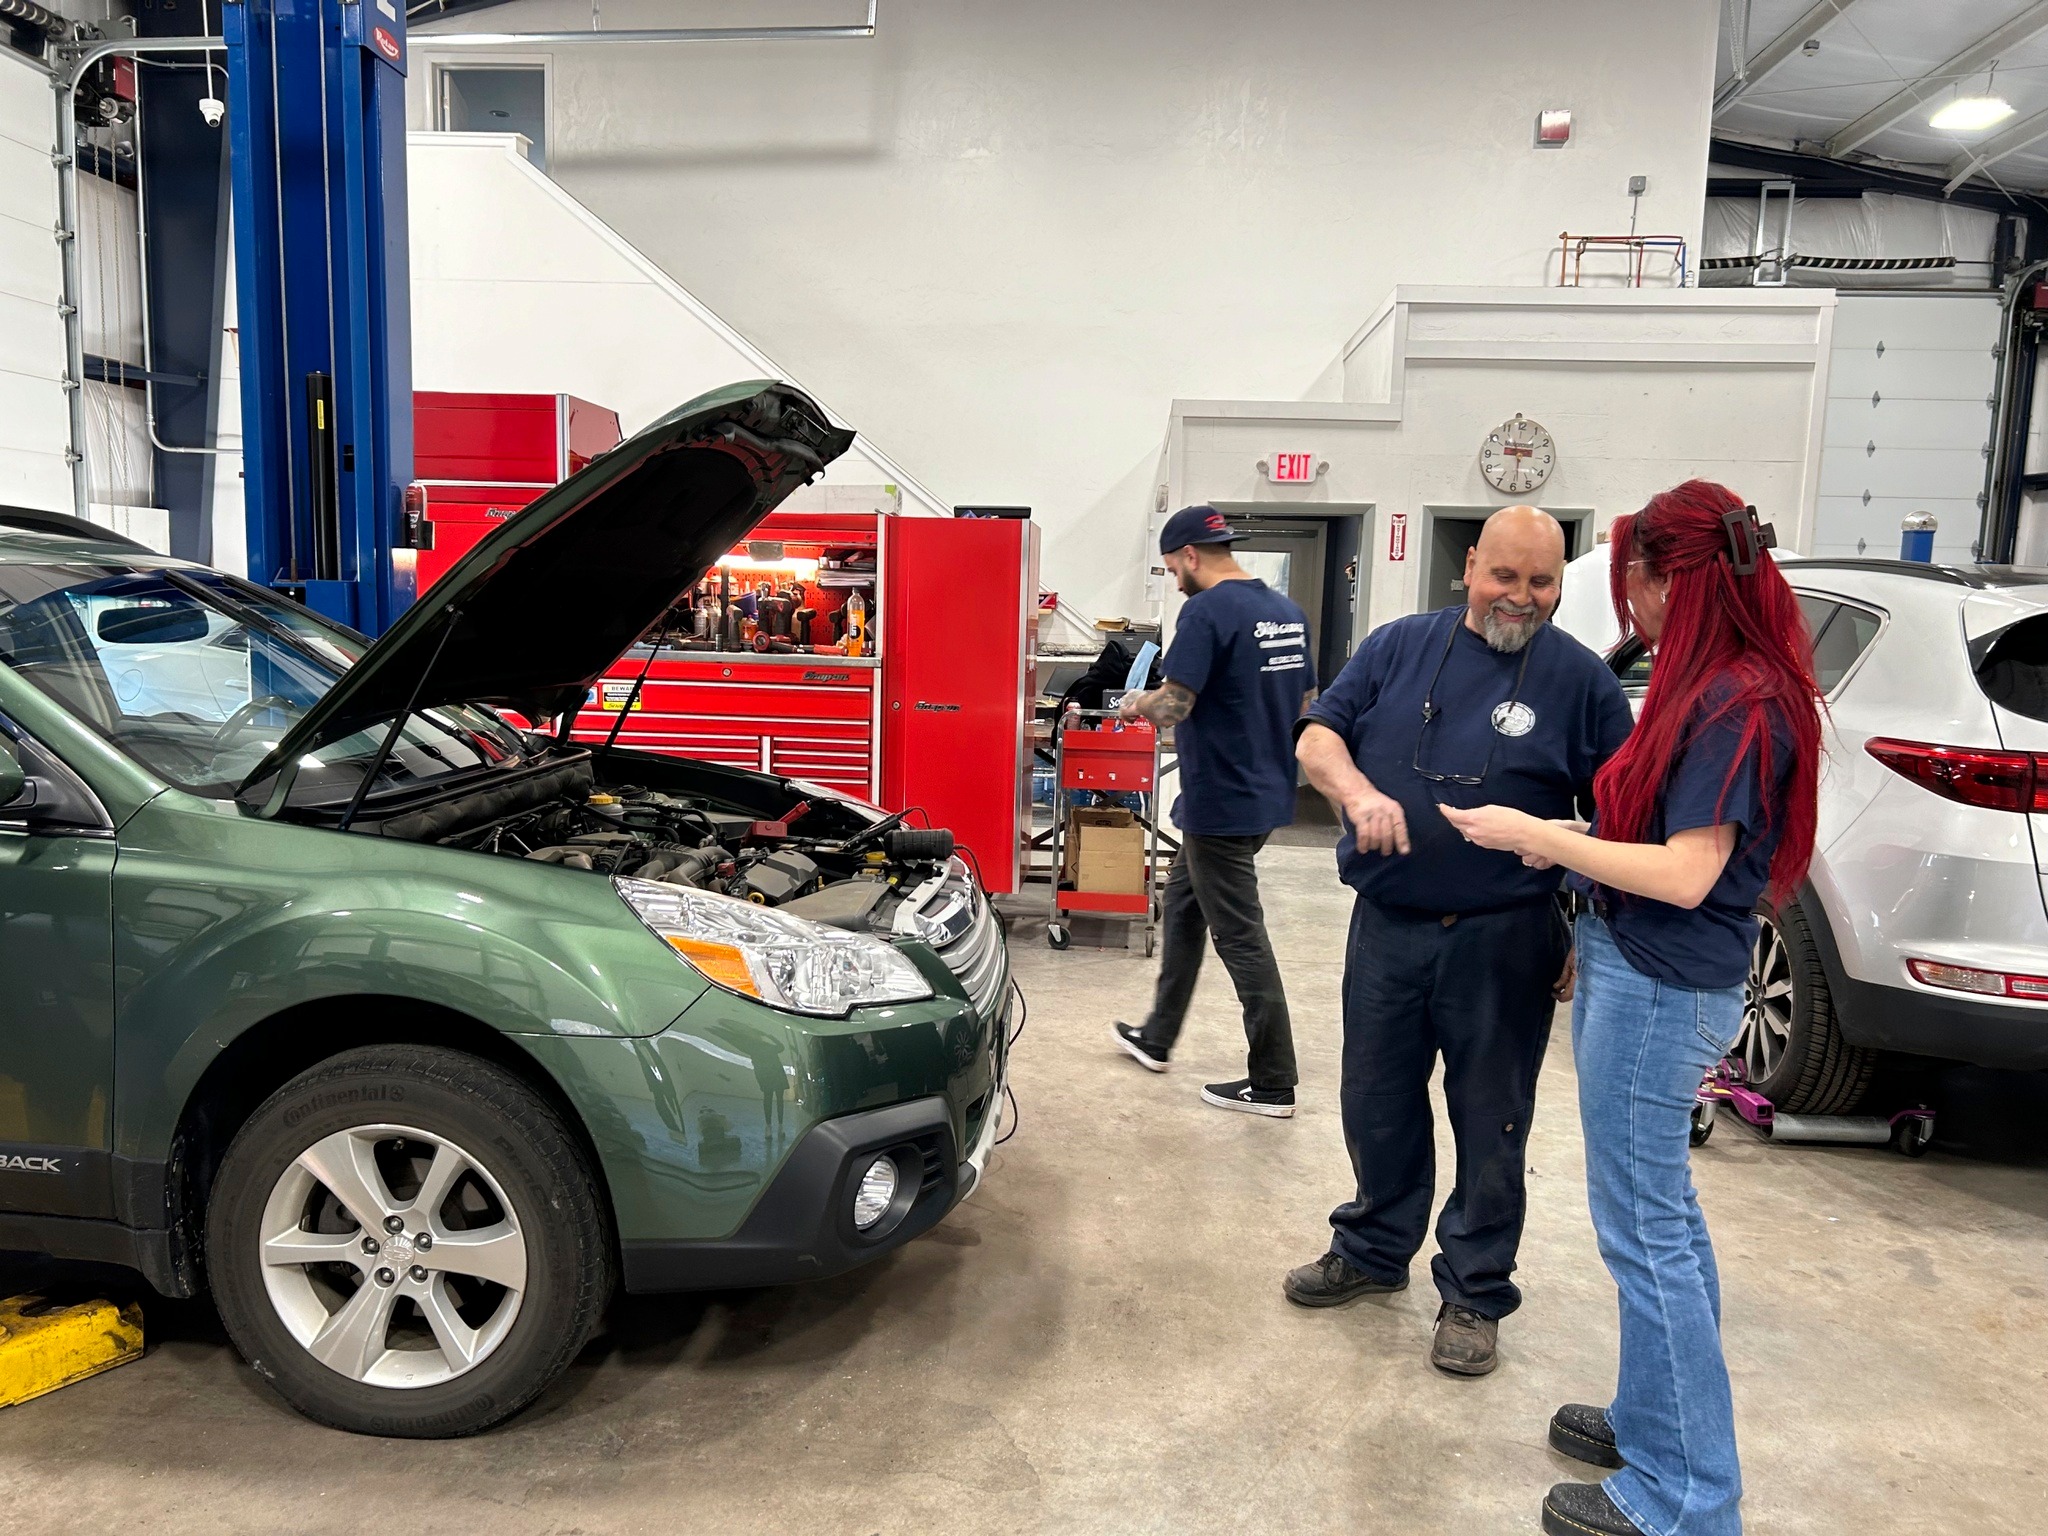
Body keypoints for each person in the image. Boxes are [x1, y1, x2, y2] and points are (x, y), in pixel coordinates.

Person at [1442, 483, 1821, 1536]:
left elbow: (1689, 871)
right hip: (1643, 967)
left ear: (1671, 581)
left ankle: (1684, 1496)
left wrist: (1539, 837)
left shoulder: (1735, 703)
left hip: (1660, 984)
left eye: (1632, 585)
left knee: (1643, 1232)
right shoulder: (1713, 683)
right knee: (1662, 1223)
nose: (1629, 609)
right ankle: (1656, 1421)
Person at [1284, 506, 1633, 1377]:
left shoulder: (1582, 682)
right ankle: (1371, 1249)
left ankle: (1475, 1291)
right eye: (1504, 576)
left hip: (1505, 938)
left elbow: (1622, 816)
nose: (1520, 598)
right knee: (1377, 1099)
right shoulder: (1400, 646)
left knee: (1492, 1119)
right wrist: (1357, 793)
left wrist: (1585, 917)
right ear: (1469, 566)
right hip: (1389, 927)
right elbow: (1319, 733)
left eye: (1541, 582)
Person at [1109, 505, 1313, 1116]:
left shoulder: (1204, 612)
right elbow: (1307, 698)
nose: (1175, 581)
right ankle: (1157, 1034)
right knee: (1183, 903)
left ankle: (1274, 1080)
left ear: (1191, 555)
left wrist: (1132, 704)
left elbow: (1174, 707)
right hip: (1268, 792)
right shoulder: (1286, 611)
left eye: (1174, 568)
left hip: (1221, 799)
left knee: (1240, 936)